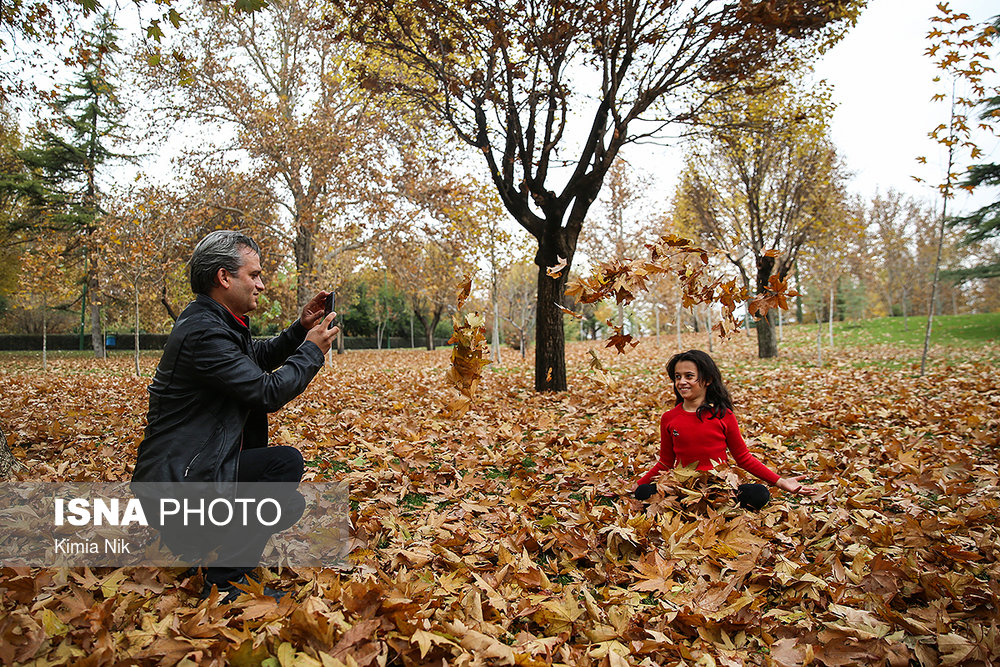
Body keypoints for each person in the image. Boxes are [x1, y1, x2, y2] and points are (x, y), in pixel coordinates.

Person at [131, 230, 340, 601]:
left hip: (190, 475)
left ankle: (205, 546)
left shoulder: (214, 323)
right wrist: (311, 352)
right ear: (224, 278)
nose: (261, 284)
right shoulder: (205, 333)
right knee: (283, 465)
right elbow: (266, 391)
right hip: (177, 485)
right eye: (254, 274)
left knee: (285, 502)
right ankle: (225, 584)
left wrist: (299, 330)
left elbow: (254, 360)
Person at [634, 349, 815, 510]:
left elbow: (743, 458)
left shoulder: (723, 415)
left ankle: (713, 508)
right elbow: (665, 462)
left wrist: (781, 482)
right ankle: (691, 508)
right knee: (643, 492)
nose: (682, 382)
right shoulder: (669, 418)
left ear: (708, 380)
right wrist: (635, 486)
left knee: (759, 494)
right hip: (683, 487)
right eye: (677, 376)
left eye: (689, 376)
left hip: (719, 487)